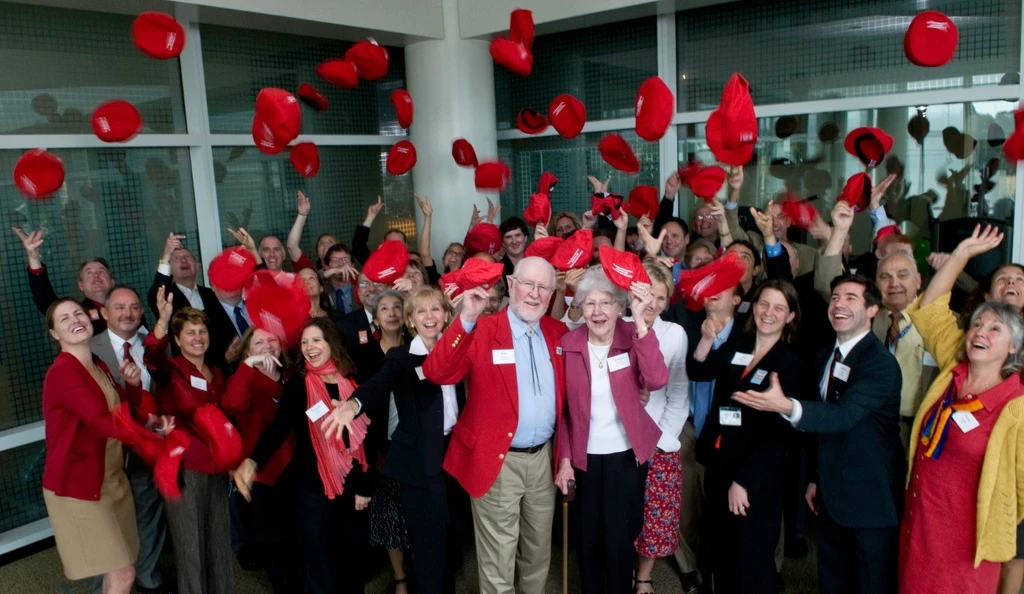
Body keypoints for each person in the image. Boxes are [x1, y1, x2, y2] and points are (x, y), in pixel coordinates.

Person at [732, 273, 904, 594]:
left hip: (870, 496)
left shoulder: (879, 364)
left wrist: (787, 406)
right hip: (830, 489)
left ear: (872, 310)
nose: (839, 304)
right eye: (836, 297)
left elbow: (844, 416)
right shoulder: (825, 355)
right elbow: (820, 430)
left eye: (851, 298)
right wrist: (814, 476)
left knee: (870, 582)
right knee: (832, 577)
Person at [422, 256, 569, 594]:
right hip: (496, 459)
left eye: (543, 287)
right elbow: (437, 373)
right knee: (498, 557)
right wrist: (467, 317)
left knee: (537, 551)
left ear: (551, 294)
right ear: (511, 286)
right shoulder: (483, 329)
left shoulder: (557, 332)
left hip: (544, 459)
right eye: (527, 284)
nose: (534, 293)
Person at [896, 224, 1024, 593]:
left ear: (1013, 347)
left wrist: (995, 521)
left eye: (995, 329)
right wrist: (962, 254)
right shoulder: (953, 368)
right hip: (920, 522)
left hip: (967, 542)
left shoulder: (1014, 406)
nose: (980, 332)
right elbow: (931, 307)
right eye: (977, 324)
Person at [333, 286, 468, 594]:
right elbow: (377, 385)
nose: (429, 316)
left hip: (454, 458)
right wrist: (354, 405)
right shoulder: (401, 358)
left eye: (436, 309)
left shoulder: (458, 351)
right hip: (419, 465)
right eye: (421, 311)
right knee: (429, 547)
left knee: (450, 541)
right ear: (411, 320)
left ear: (447, 315)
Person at [43, 298, 171, 594]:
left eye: (78, 313)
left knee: (125, 565)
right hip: (80, 486)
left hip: (110, 479)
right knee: (123, 572)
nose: (74, 319)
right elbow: (101, 422)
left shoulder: (96, 365)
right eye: (63, 319)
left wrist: (138, 396)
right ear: (54, 334)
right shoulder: (64, 371)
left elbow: (121, 411)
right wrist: (153, 439)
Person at [234, 318, 371, 594]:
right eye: (305, 342)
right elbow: (280, 427)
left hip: (352, 484)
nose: (309, 347)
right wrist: (252, 460)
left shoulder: (353, 379)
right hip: (311, 487)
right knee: (317, 561)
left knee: (353, 558)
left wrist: (365, 485)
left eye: (316, 340)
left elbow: (368, 436)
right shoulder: (299, 385)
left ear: (331, 343)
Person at [555, 266, 669, 593]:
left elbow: (657, 380)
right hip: (583, 458)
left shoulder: (634, 337)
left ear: (620, 306)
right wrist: (564, 459)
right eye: (589, 304)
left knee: (619, 538)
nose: (598, 311)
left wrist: (642, 323)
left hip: (625, 456)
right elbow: (561, 410)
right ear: (580, 307)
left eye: (606, 303)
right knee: (587, 537)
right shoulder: (569, 343)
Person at [692, 280, 803, 593]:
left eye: (779, 308)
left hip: (755, 478)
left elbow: (779, 436)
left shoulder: (790, 363)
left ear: (791, 316)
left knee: (752, 561)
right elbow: (700, 371)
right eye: (763, 304)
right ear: (753, 308)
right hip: (719, 464)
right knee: (721, 553)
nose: (769, 313)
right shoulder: (739, 344)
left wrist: (744, 482)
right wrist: (705, 339)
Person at [814, 201, 937, 448]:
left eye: (903, 275)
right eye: (885, 277)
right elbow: (827, 282)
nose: (894, 283)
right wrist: (839, 231)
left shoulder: (938, 321)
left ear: (919, 280)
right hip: (860, 424)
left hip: (916, 430)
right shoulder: (863, 314)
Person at [144, 288, 235, 594]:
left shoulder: (217, 373)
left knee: (219, 541)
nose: (198, 337)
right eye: (190, 332)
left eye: (202, 331)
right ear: (178, 340)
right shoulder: (171, 370)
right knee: (190, 546)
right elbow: (152, 356)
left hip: (216, 466)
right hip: (185, 469)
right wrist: (163, 320)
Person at [91, 286, 171, 594]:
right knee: (110, 524)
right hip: (110, 453)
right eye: (120, 307)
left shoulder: (153, 345)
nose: (128, 313)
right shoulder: (89, 349)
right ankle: (104, 587)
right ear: (105, 312)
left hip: (149, 449)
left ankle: (148, 578)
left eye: (135, 308)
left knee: (147, 514)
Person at [220, 327, 296, 594]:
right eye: (259, 342)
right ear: (247, 351)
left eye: (272, 339)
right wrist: (248, 367)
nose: (266, 345)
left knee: (297, 537)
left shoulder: (291, 376)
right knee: (272, 541)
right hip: (262, 472)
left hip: (296, 469)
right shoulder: (242, 380)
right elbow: (232, 404)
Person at [631, 263, 690, 594]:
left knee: (655, 515)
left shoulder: (674, 334)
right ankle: (621, 566)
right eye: (646, 294)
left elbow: (679, 395)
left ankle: (644, 576)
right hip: (618, 439)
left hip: (658, 440)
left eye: (660, 297)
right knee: (622, 511)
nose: (652, 303)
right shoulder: (617, 324)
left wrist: (661, 438)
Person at [365, 290, 412, 593]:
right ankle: (400, 578)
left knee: (416, 514)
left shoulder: (416, 348)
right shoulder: (366, 356)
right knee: (391, 516)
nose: (392, 312)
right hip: (382, 448)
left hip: (416, 447)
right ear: (376, 317)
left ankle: (423, 568)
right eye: (385, 308)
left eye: (398, 306)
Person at [147, 233, 238, 372]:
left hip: (220, 369)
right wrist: (166, 256)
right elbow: (157, 293)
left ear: (197, 266)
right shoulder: (167, 297)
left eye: (187, 257)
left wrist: (229, 355)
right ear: (170, 268)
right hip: (185, 373)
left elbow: (225, 329)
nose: (183, 260)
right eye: (177, 258)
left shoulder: (211, 294)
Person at [13, 226, 116, 333]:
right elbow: (45, 301)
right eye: (89, 273)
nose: (96, 276)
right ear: (81, 285)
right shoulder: (78, 313)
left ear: (112, 282)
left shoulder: (127, 305)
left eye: (101, 271)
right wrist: (34, 259)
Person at [285, 190, 336, 270]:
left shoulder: (352, 274)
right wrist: (302, 214)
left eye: (330, 242)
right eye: (322, 243)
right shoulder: (311, 272)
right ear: (317, 255)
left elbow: (363, 282)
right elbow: (292, 247)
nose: (326, 244)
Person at [321, 244, 359, 318]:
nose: (341, 264)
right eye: (335, 260)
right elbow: (307, 281)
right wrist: (334, 271)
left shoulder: (360, 286)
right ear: (327, 266)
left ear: (352, 265)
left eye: (346, 260)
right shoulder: (322, 288)